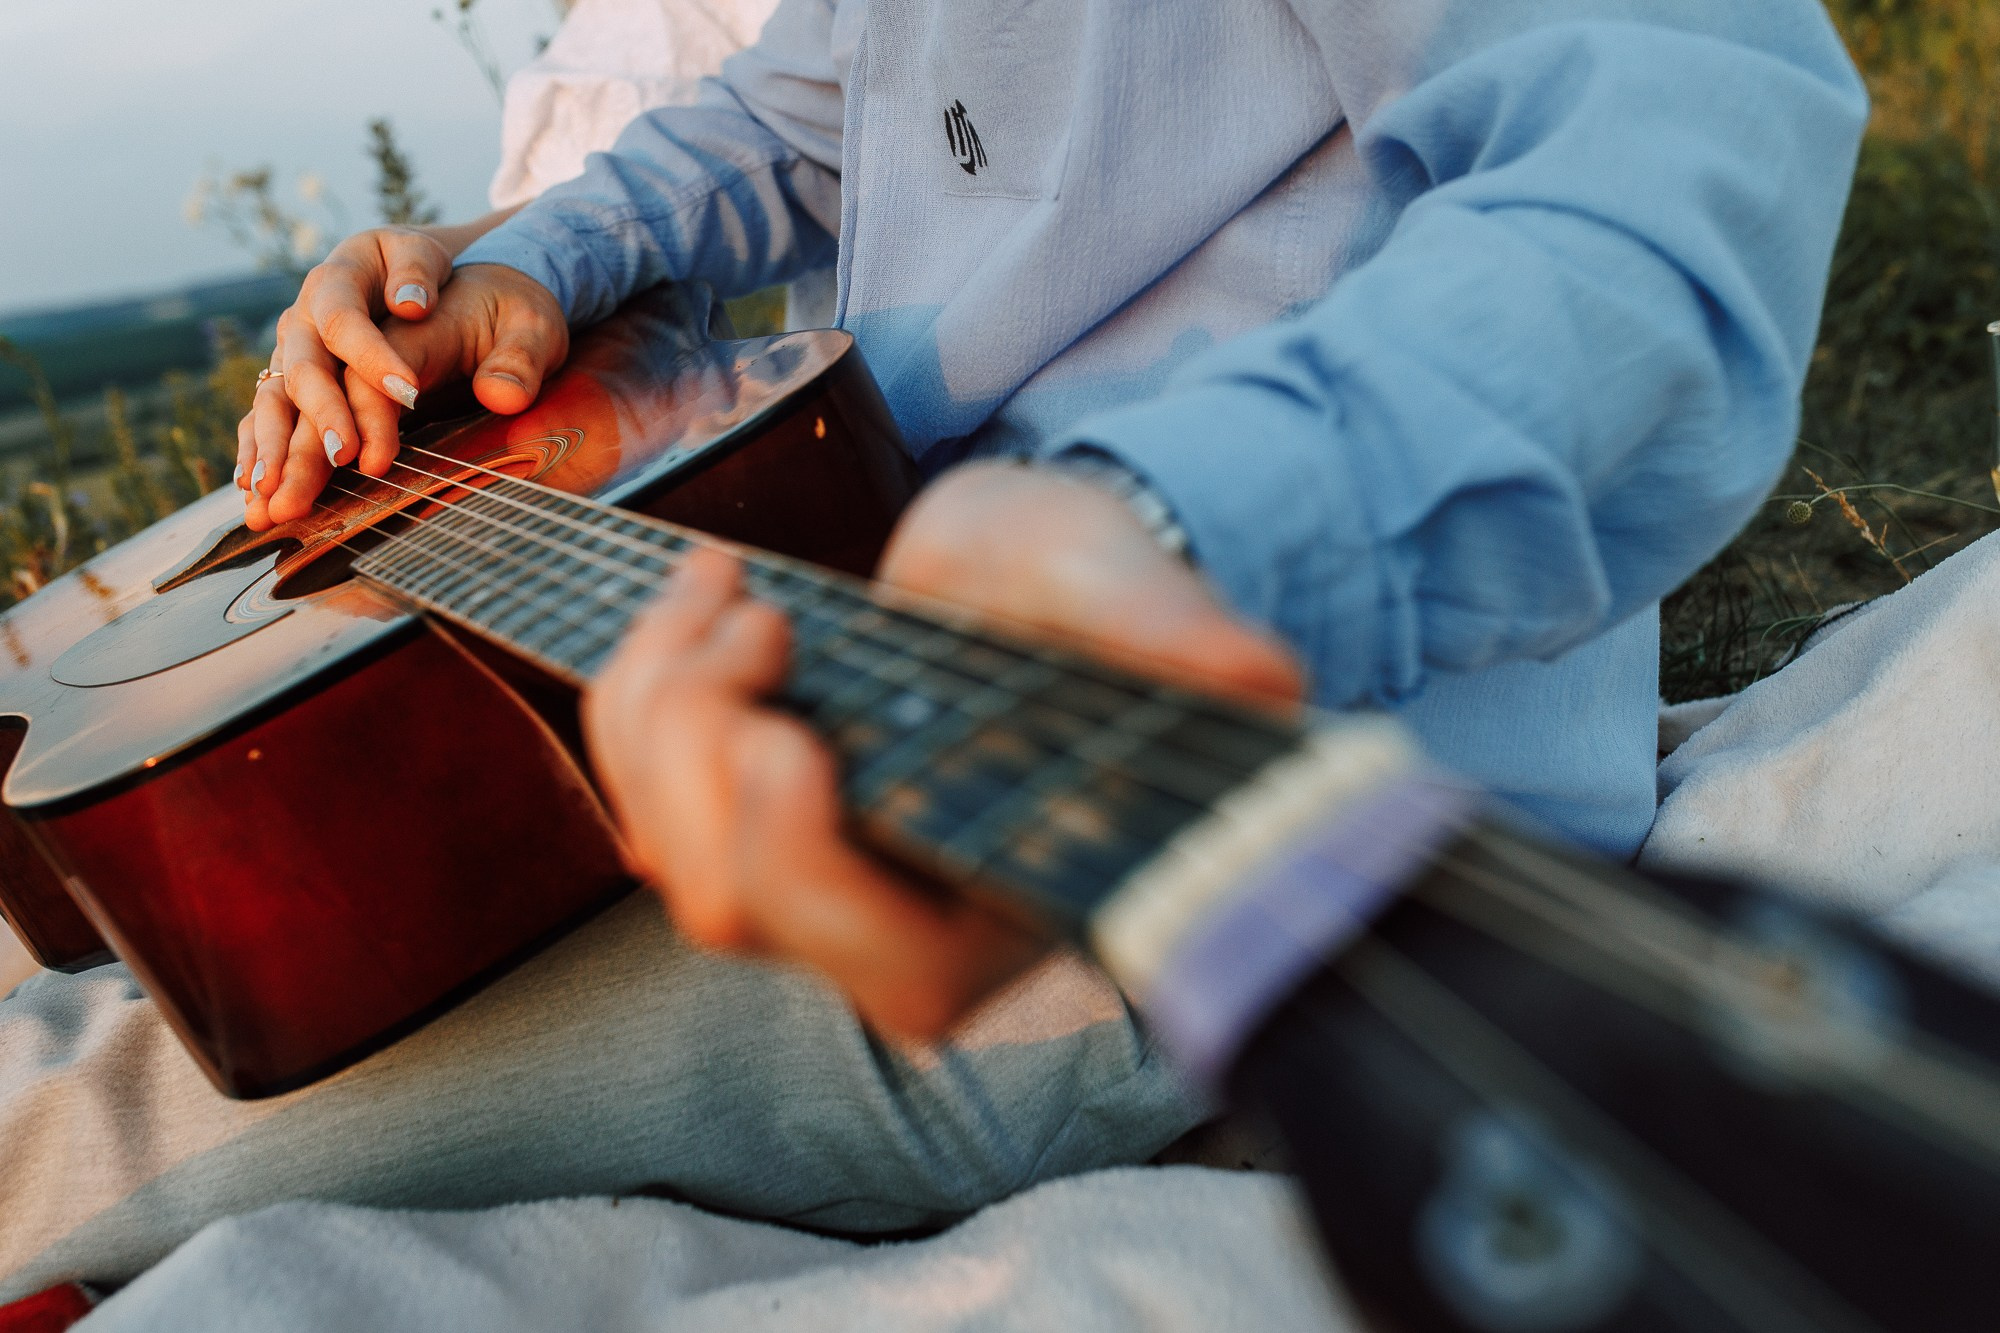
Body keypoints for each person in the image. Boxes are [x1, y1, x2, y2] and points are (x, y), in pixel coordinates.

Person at [1, 0, 1867, 1304]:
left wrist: (1175, 532)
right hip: (833, 648)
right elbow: (795, 105)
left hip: (1176, 829)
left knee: (76, 1106)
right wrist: (538, 261)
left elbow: (1685, 153)